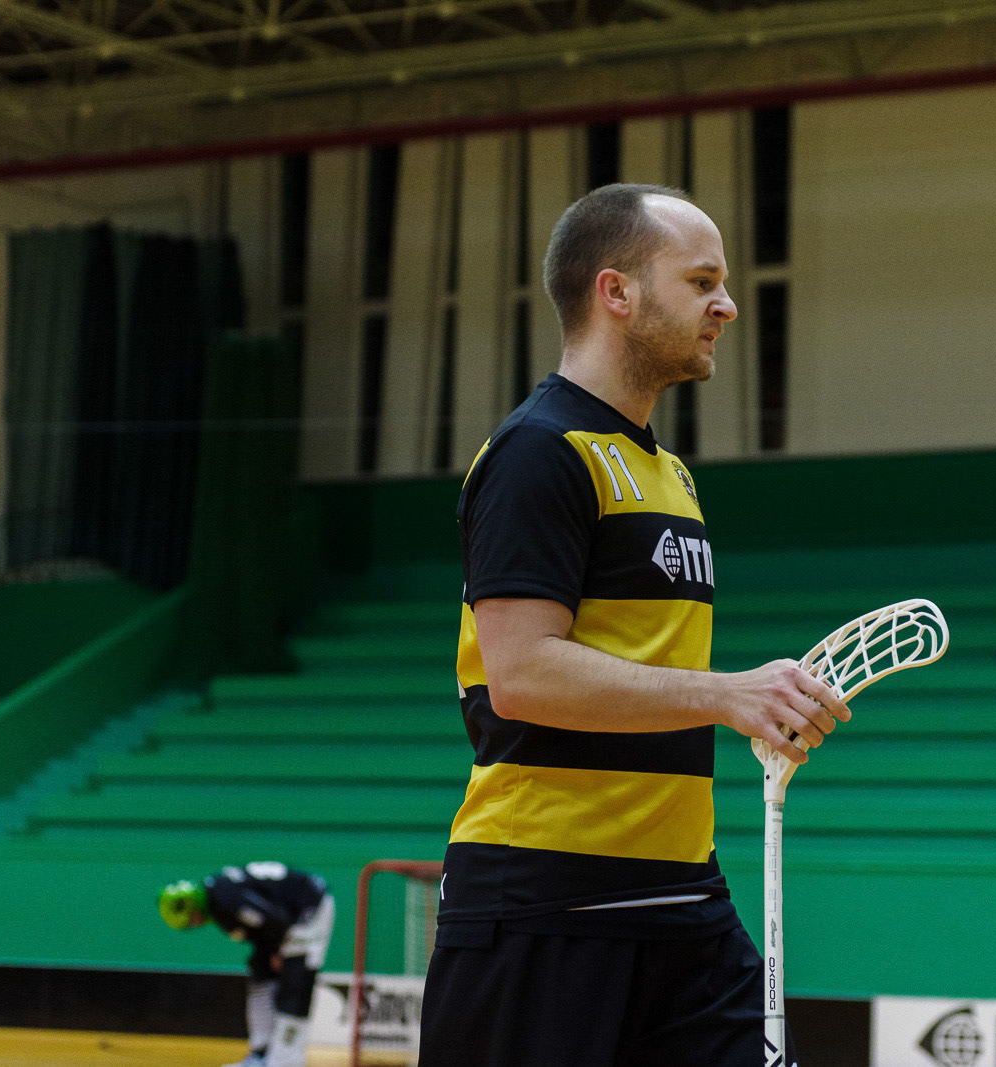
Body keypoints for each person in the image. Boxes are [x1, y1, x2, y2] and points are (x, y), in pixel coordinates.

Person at [417, 183, 848, 1067]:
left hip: (683, 901)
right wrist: (727, 694)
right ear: (616, 291)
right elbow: (522, 673)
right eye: (702, 281)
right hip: (546, 903)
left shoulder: (672, 475)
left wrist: (757, 707)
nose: (728, 305)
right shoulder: (538, 451)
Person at [159, 862, 334, 1067]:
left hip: (308, 907)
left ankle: (285, 1061)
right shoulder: (218, 900)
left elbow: (275, 919)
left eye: (193, 919)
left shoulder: (225, 898)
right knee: (260, 975)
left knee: (296, 982)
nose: (197, 923)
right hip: (282, 923)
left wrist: (278, 950)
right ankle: (260, 1054)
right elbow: (264, 926)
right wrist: (272, 951)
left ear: (193, 904)